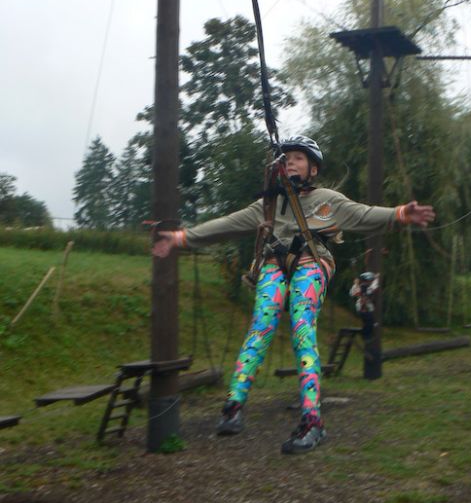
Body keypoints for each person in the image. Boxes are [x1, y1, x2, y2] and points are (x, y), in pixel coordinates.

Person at [152, 135, 435, 455]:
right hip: (274, 264)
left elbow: (364, 215)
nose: (290, 162)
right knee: (261, 327)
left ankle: (312, 422)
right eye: (286, 158)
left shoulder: (328, 201)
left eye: (298, 158)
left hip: (312, 263)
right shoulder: (268, 206)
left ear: (313, 169)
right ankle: (233, 406)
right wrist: (181, 238)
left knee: (302, 329)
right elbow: (227, 225)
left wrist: (401, 214)